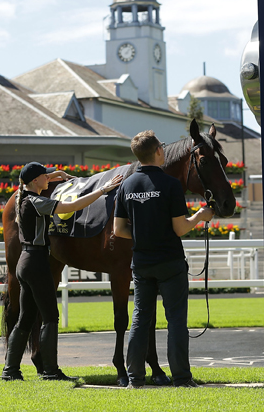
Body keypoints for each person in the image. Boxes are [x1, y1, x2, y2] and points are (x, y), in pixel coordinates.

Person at [0, 162, 123, 381]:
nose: (48, 179)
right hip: (37, 263)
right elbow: (71, 207)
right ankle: (50, 371)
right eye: (44, 176)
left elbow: (41, 181)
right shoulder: (38, 202)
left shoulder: (23, 198)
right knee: (50, 317)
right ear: (36, 180)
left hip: (25, 262)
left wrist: (54, 174)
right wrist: (103, 190)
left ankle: (10, 371)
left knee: (26, 317)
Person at [113, 130, 214, 388]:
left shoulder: (126, 185)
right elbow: (180, 228)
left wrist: (141, 235)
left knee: (140, 319)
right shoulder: (169, 184)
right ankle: (181, 378)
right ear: (159, 151)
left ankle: (135, 378)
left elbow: (118, 230)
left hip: (142, 263)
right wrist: (200, 216)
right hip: (170, 261)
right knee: (176, 320)